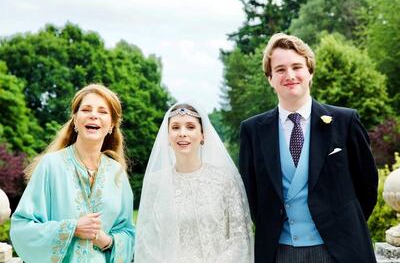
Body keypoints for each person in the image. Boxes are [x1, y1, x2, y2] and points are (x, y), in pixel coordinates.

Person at [239, 33, 378, 263]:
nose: (290, 75)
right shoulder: (253, 130)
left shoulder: (345, 122)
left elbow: (367, 185)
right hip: (280, 251)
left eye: (297, 67)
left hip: (340, 250)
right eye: (281, 69)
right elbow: (252, 195)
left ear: (310, 72)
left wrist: (342, 225)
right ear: (270, 78)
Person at [10, 84, 135, 262]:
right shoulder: (50, 166)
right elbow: (22, 229)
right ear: (75, 120)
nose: (94, 115)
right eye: (86, 109)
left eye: (102, 111)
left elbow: (130, 235)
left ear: (112, 124)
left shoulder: (117, 174)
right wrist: (72, 228)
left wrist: (107, 241)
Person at [134, 102, 254, 263]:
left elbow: (240, 239)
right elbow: (145, 241)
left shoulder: (225, 180)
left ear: (203, 135)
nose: (182, 133)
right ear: (168, 136)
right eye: (175, 127)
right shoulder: (156, 182)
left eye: (190, 127)